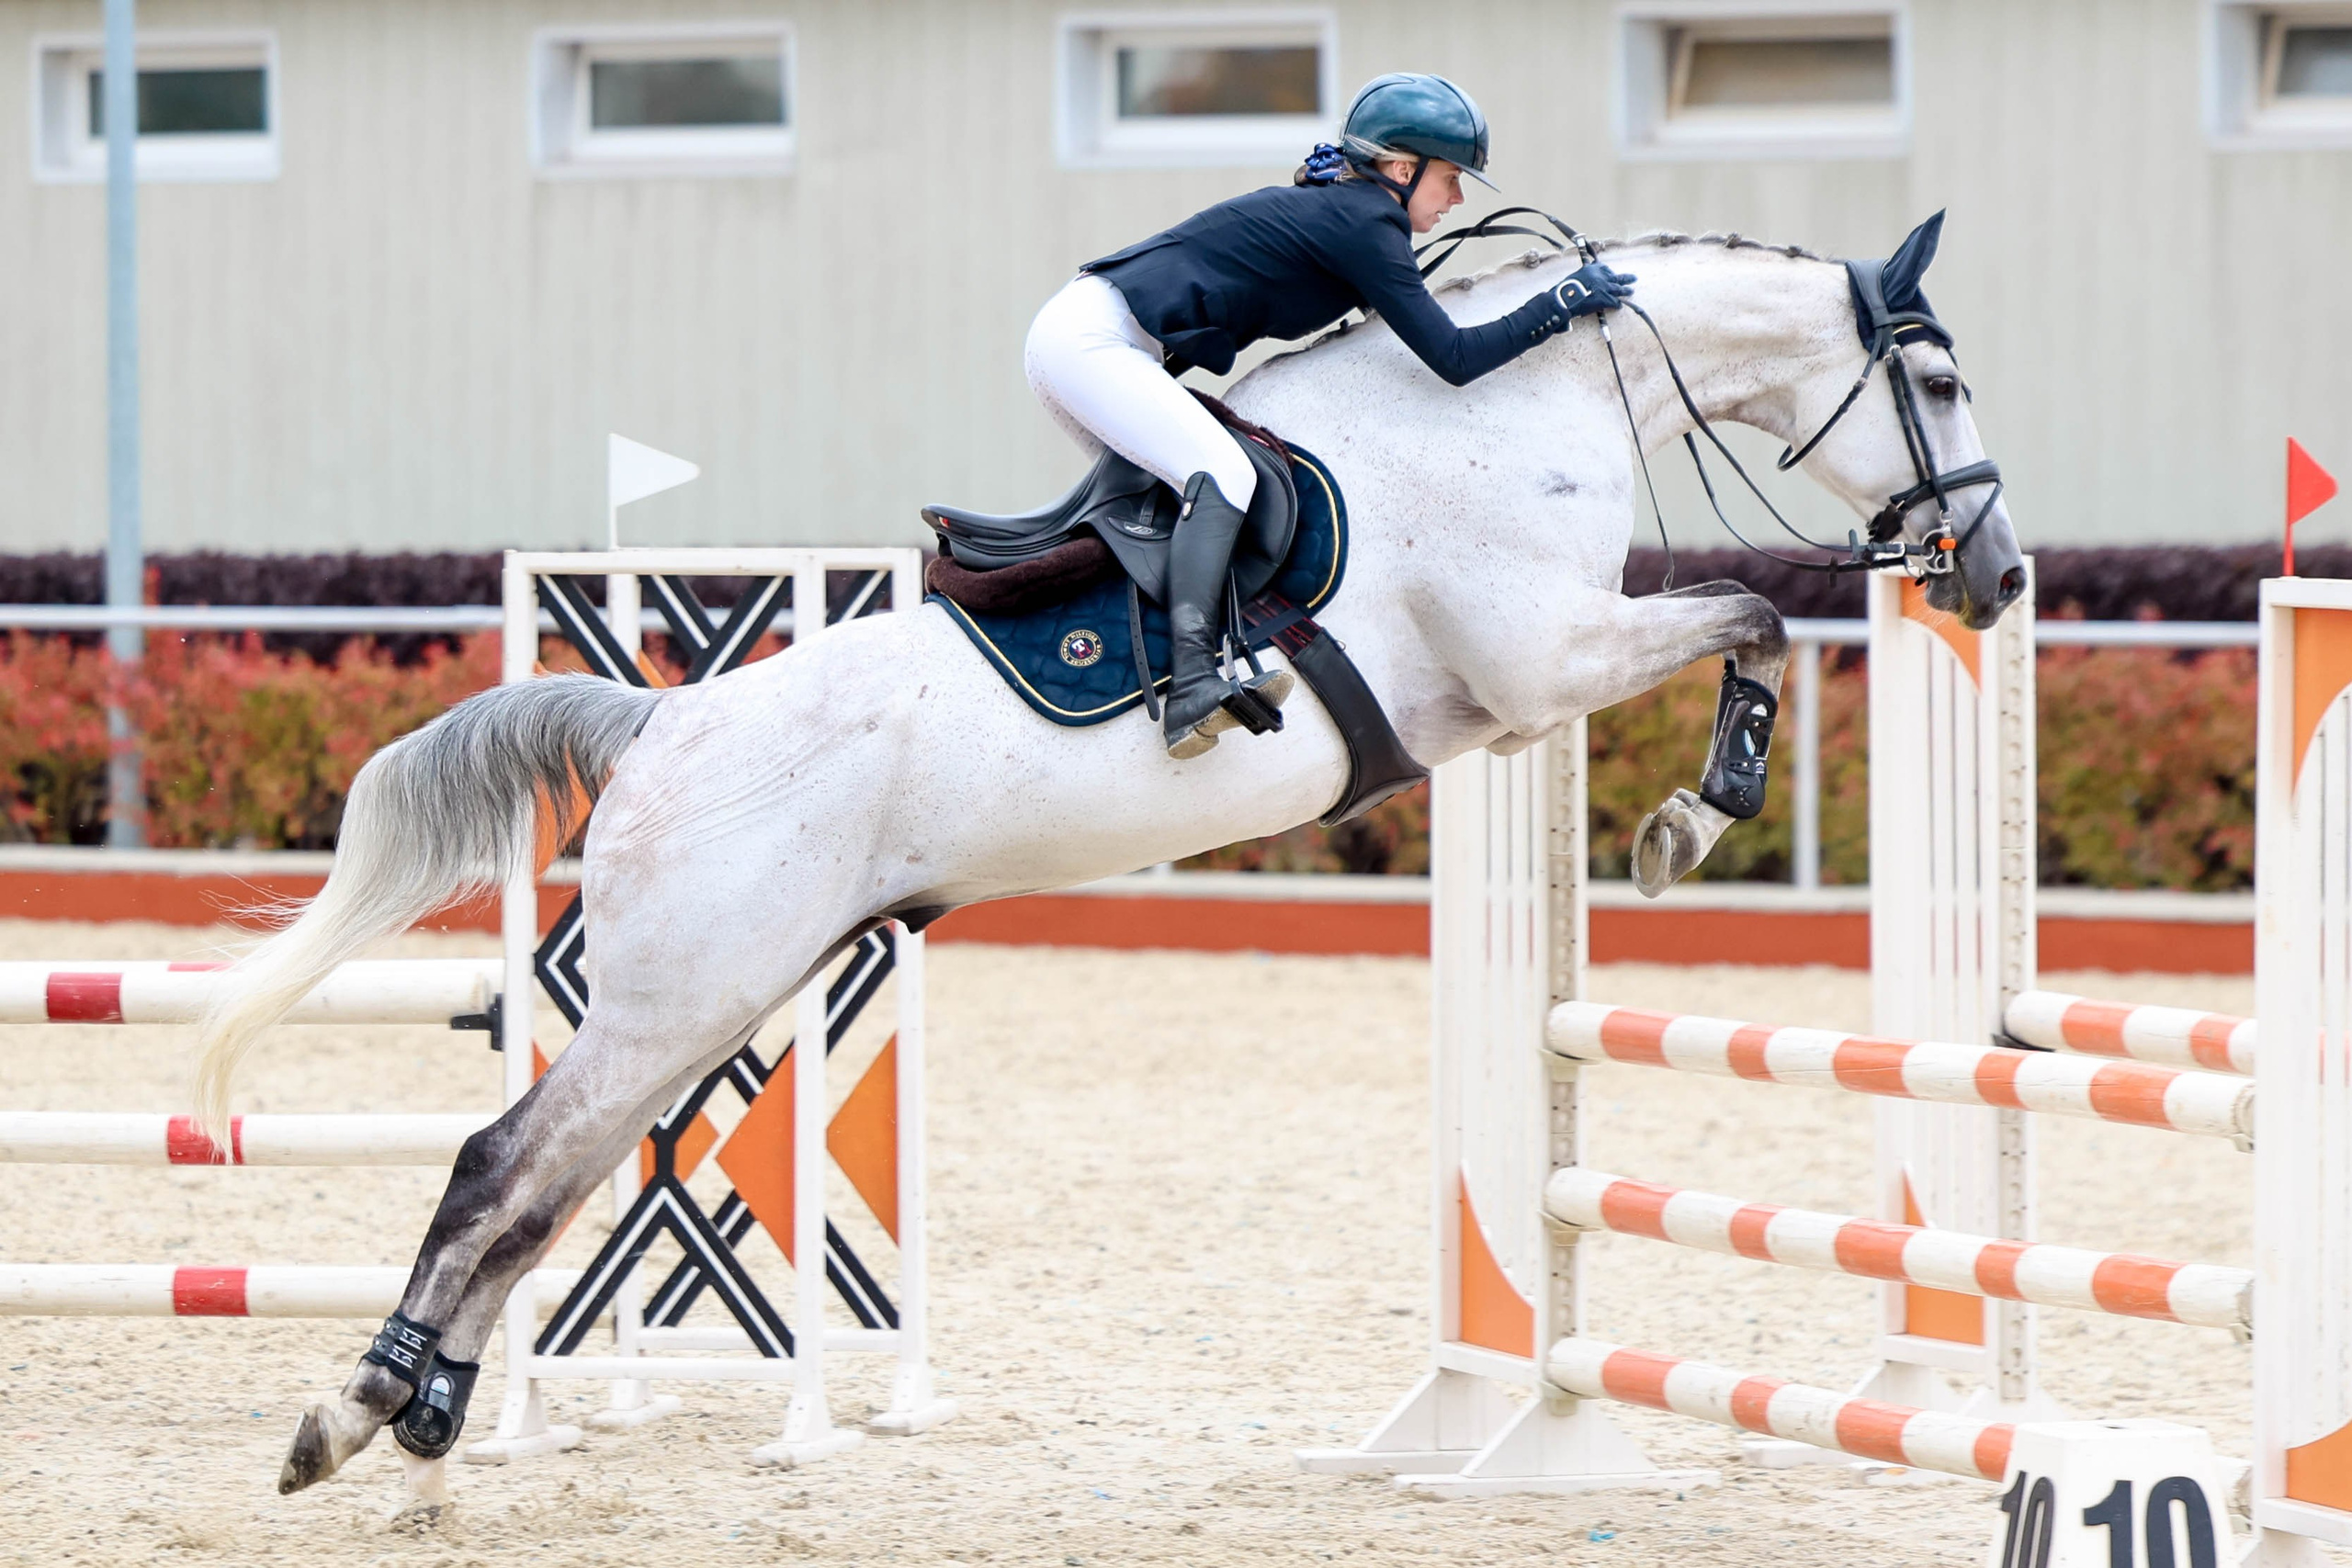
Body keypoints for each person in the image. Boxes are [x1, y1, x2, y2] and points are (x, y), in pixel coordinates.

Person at [1024, 72, 1635, 759]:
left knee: (1184, 503)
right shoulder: (1365, 221)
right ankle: (1192, 686)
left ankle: (1125, 665)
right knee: (1223, 474)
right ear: (1402, 169)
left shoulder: (1353, 211)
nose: (1458, 199)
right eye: (1450, 179)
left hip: (1089, 338)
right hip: (1092, 343)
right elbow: (1454, 356)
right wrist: (1559, 303)